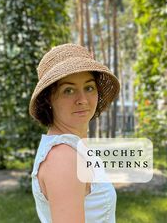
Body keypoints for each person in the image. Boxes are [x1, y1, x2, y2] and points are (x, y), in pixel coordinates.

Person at [29, 43, 120, 223]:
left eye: (89, 87)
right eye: (68, 90)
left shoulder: (73, 147)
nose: (82, 100)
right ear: (48, 98)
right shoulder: (64, 157)